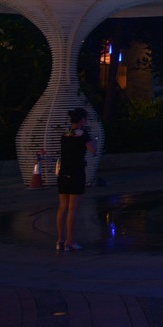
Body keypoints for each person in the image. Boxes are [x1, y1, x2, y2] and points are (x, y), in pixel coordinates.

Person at [55, 107, 97, 251]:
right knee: (73, 209)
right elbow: (93, 150)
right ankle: (70, 241)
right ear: (82, 120)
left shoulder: (65, 134)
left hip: (63, 173)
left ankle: (60, 240)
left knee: (62, 208)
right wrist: (93, 139)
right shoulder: (83, 134)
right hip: (76, 173)